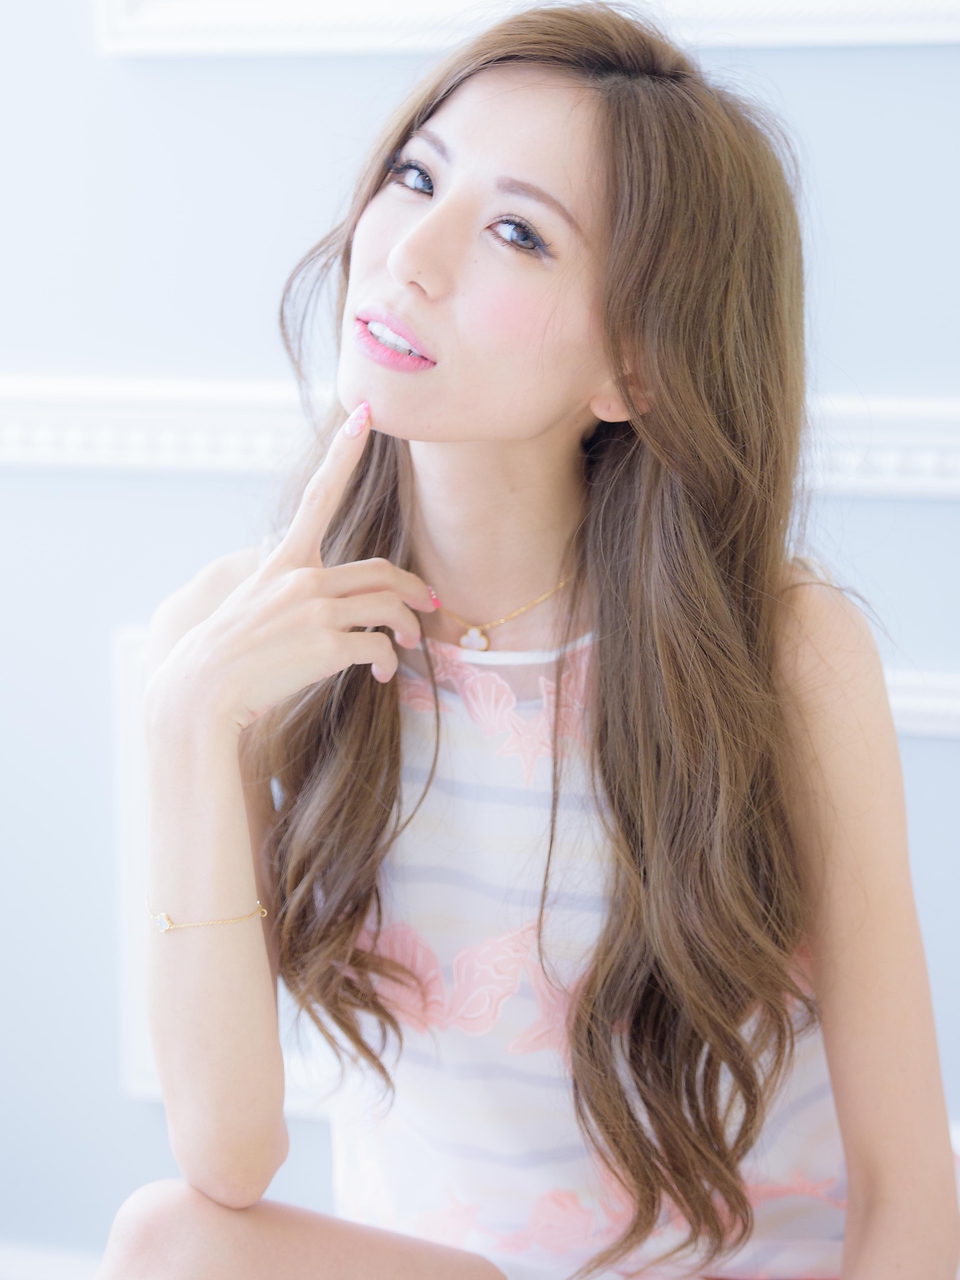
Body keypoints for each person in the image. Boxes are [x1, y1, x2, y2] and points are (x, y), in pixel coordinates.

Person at [96, 4, 960, 1278]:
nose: (410, 255)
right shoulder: (234, 649)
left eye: (517, 232)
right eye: (415, 176)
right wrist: (186, 722)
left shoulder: (784, 650)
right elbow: (227, 1158)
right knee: (169, 1243)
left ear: (635, 370)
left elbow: (909, 1185)